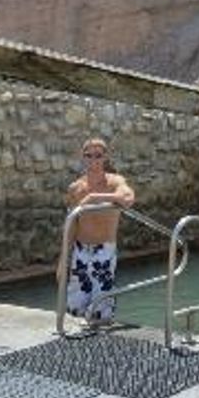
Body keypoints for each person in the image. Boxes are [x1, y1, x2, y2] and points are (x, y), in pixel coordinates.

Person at [58, 137, 135, 325]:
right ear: (82, 157)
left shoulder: (115, 182)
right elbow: (71, 225)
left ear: (105, 157)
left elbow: (128, 198)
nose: (93, 160)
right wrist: (63, 259)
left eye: (98, 155)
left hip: (104, 252)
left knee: (102, 309)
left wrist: (94, 197)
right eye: (89, 155)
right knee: (75, 308)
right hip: (80, 251)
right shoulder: (76, 188)